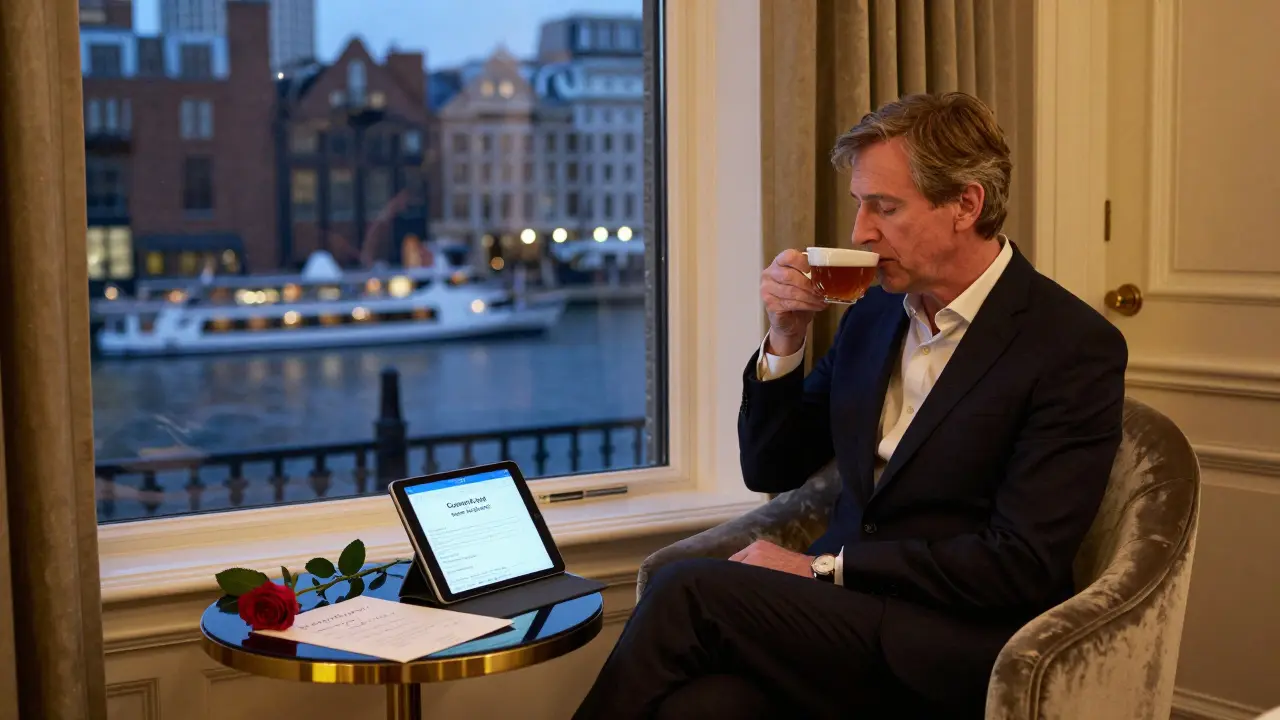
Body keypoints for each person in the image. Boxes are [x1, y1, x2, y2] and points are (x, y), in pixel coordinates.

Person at [573, 92, 1127, 719]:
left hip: (954, 640)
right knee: (703, 708)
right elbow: (772, 468)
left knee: (687, 589)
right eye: (860, 205)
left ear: (965, 205)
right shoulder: (874, 312)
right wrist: (785, 337)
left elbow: (1018, 564)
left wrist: (825, 568)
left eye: (884, 207)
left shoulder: (1070, 346)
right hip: (839, 624)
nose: (860, 231)